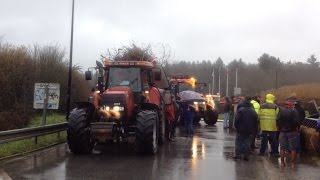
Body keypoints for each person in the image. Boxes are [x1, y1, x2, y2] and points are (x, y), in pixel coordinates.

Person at [233, 96, 258, 161]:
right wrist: (254, 129)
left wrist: (236, 126)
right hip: (249, 129)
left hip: (241, 129)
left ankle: (238, 155)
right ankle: (246, 155)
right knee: (247, 142)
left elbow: (237, 120)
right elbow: (256, 121)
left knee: (239, 142)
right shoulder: (253, 111)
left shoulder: (241, 110)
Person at [277, 100, 300, 167]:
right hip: (292, 132)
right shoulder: (294, 111)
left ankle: (282, 163)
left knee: (282, 148)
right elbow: (297, 121)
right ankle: (292, 164)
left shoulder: (281, 111)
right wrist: (296, 128)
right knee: (293, 148)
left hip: (282, 131)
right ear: (291, 105)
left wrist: (280, 127)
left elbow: (278, 120)